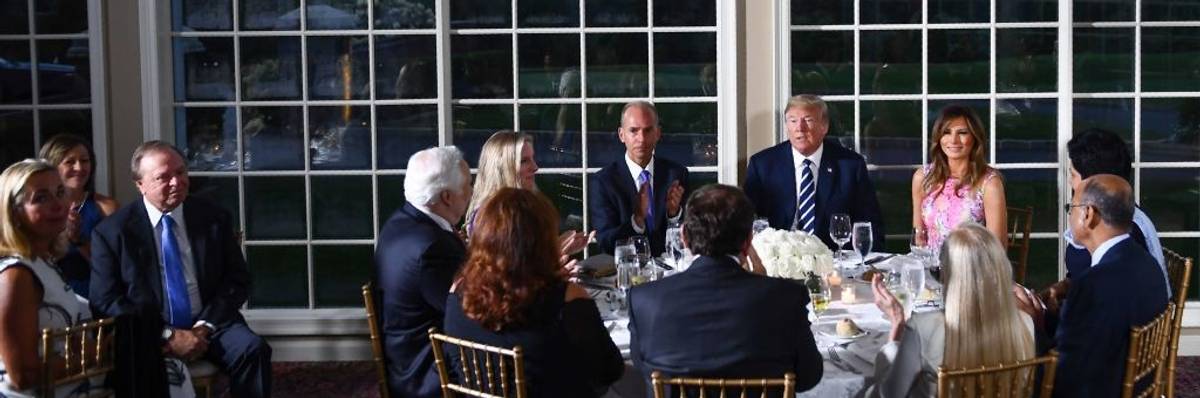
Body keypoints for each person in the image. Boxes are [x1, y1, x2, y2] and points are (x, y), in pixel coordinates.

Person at [90, 141, 270, 397]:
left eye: (181, 172)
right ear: (140, 184)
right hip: (149, 330)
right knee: (136, 366)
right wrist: (167, 334)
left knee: (252, 349)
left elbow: (237, 279)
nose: (176, 182)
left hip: (209, 323)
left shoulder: (213, 217)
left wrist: (203, 327)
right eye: (163, 177)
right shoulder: (112, 232)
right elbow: (105, 300)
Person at [628, 184, 822, 395]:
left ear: (684, 237)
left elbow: (642, 369)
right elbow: (808, 377)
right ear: (748, 242)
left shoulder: (644, 299)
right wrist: (768, 289)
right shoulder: (787, 298)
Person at [444, 188, 623, 397]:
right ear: (542, 241)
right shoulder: (567, 297)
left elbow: (453, 365)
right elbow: (609, 370)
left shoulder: (457, 292)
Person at [1015, 175, 1168, 397]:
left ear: (1088, 214)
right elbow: (1096, 331)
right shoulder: (1146, 262)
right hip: (1134, 385)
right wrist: (1047, 315)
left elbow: (1062, 377)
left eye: (1071, 208)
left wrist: (1031, 325)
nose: (1070, 215)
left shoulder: (1092, 285)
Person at [864, 223, 1034, 397]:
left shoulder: (924, 328)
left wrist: (897, 326)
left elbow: (889, 394)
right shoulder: (1025, 323)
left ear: (948, 277)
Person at [375, 146, 473, 398]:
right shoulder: (433, 248)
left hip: (404, 358)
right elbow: (471, 312)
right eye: (467, 186)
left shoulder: (399, 222)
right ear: (447, 197)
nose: (471, 192)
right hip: (429, 372)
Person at [0, 160, 96, 397]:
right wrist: (95, 355)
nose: (58, 204)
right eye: (41, 198)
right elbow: (23, 376)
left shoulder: (43, 261)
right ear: (14, 212)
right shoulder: (16, 275)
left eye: (60, 192)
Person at [744, 94, 885, 248]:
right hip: (778, 255)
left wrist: (866, 258)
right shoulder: (763, 164)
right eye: (793, 121)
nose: (800, 128)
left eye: (808, 120)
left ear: (824, 127)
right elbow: (746, 221)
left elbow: (869, 224)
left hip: (835, 256)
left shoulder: (850, 166)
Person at [466, 131, 591, 256]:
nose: (535, 167)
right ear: (502, 167)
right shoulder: (490, 215)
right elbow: (506, 265)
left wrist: (559, 249)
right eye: (524, 161)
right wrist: (555, 251)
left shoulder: (524, 207)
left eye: (532, 158)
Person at [590, 101, 689, 255]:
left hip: (672, 267)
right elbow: (605, 242)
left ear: (658, 133)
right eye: (633, 131)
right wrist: (636, 221)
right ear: (621, 135)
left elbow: (693, 234)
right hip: (626, 268)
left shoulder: (676, 174)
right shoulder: (604, 182)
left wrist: (674, 215)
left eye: (648, 130)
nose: (641, 139)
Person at [911, 105, 1007, 251]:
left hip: (972, 264)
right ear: (939, 137)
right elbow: (918, 237)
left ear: (975, 138)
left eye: (962, 133)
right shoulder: (923, 177)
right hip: (929, 263)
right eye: (946, 132)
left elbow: (997, 248)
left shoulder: (989, 184)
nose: (954, 140)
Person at [38, 134, 120, 297]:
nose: (79, 168)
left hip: (94, 297)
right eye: (70, 162)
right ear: (52, 166)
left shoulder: (106, 207)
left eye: (84, 161)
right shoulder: (38, 209)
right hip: (49, 297)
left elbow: (116, 265)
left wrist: (78, 240)